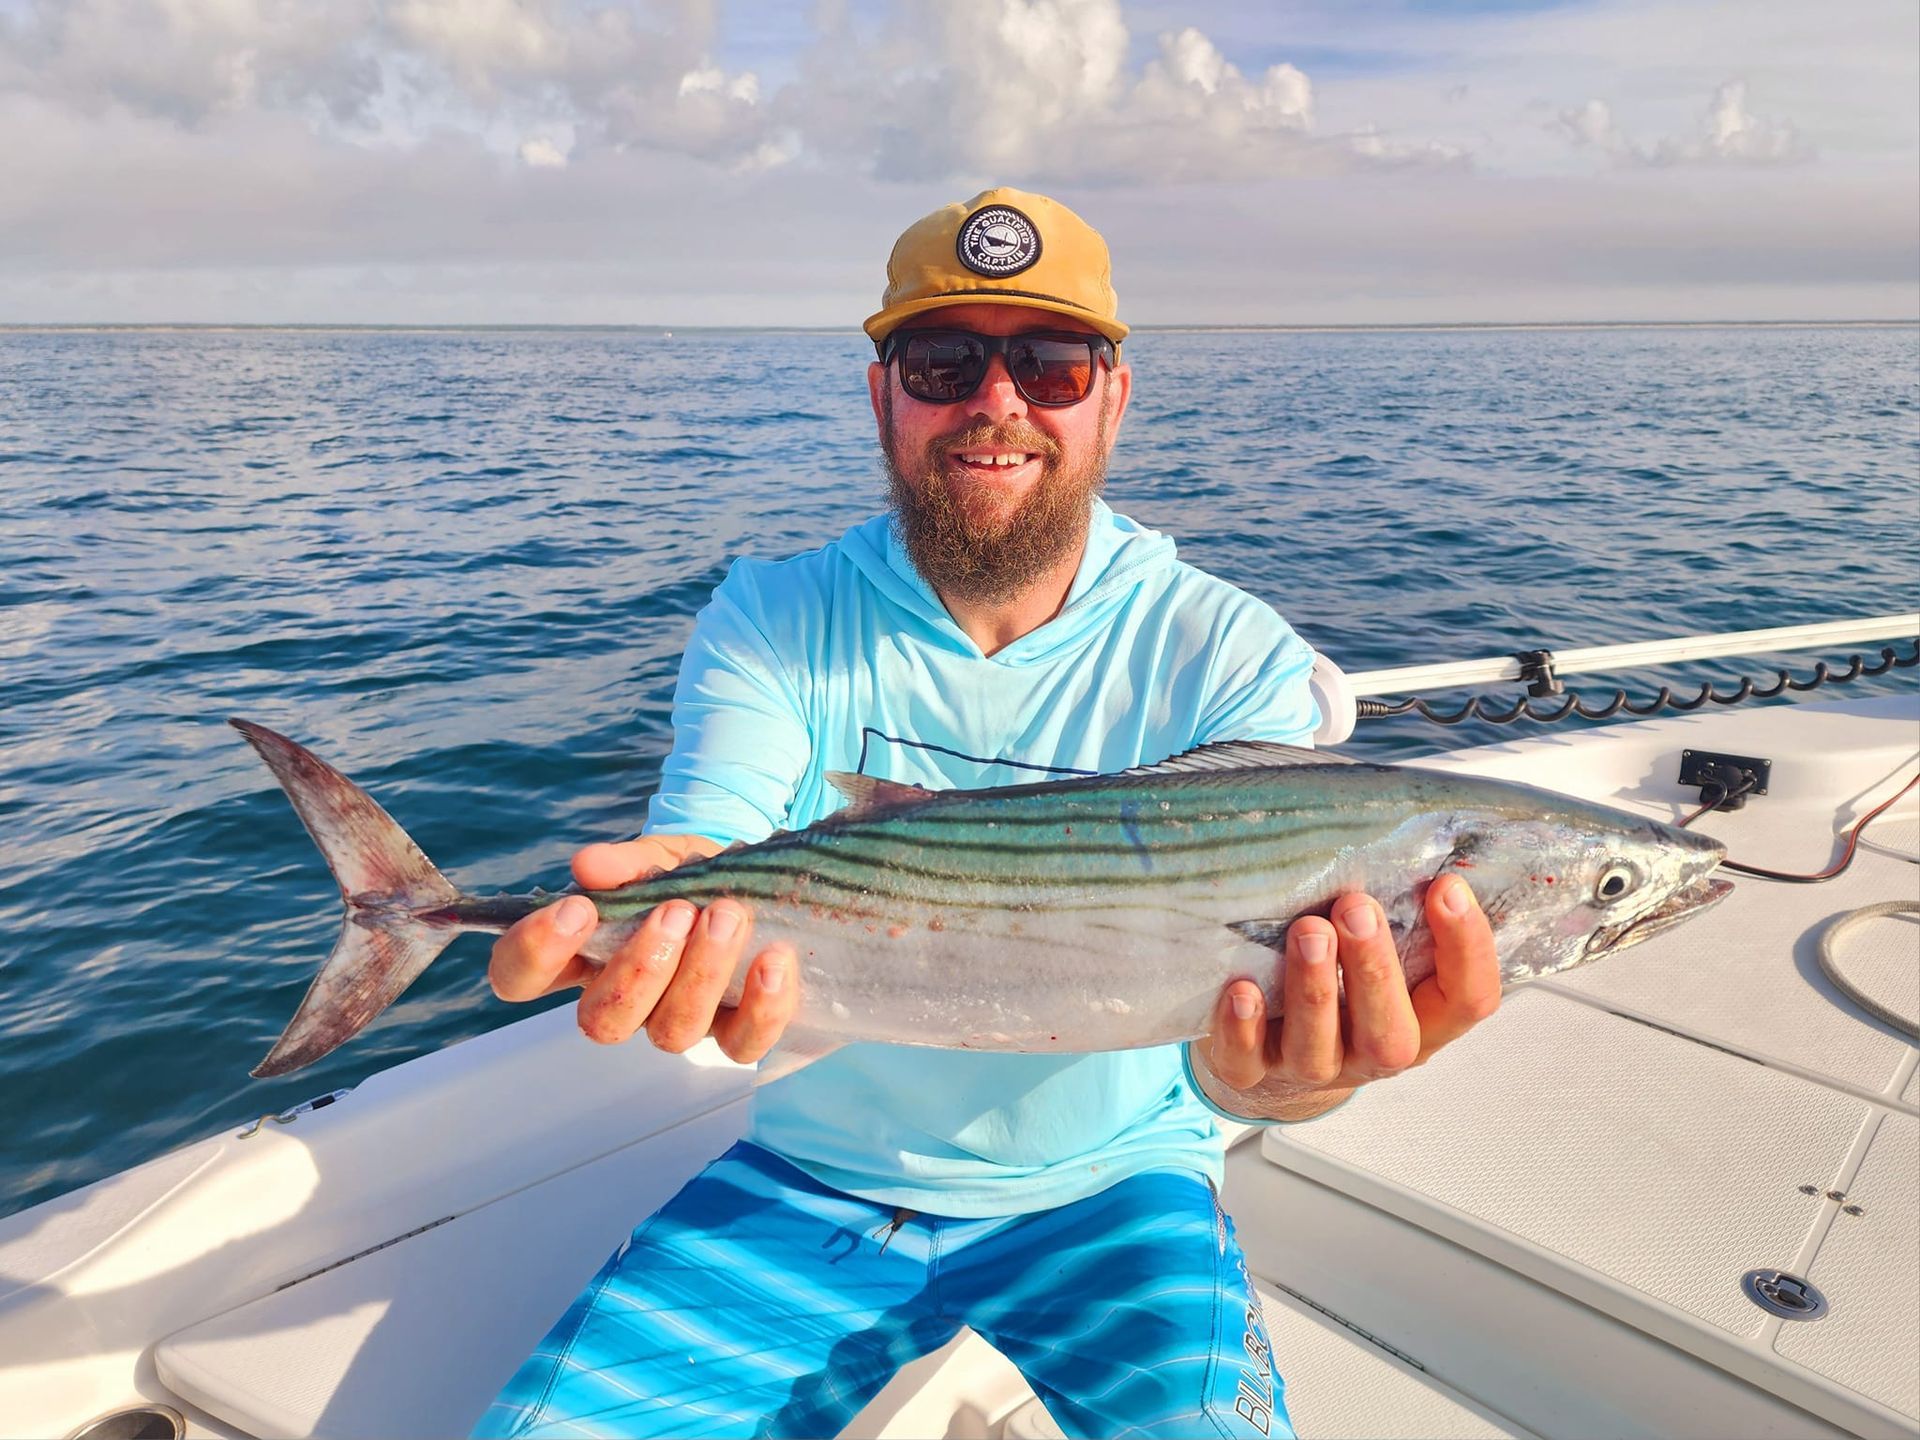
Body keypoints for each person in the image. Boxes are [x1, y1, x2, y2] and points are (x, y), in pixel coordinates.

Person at [472, 188, 1500, 1440]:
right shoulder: (772, 618)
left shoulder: (1235, 658)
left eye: (1052, 364)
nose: (998, 402)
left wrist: (1292, 1086)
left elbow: (1263, 1045)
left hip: (1120, 1193)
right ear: (882, 396)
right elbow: (710, 834)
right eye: (945, 361)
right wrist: (664, 898)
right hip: (811, 1181)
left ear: (1112, 396)